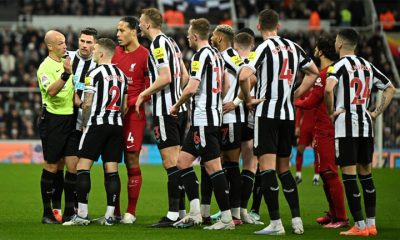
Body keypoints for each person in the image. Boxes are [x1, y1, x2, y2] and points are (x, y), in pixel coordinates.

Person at [238, 9, 319, 235]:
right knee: (285, 170)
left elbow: (244, 75)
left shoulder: (263, 47)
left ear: (258, 27)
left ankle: (275, 223)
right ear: (279, 26)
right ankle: (296, 221)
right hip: (287, 115)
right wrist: (295, 94)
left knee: (266, 169)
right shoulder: (294, 47)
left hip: (267, 114)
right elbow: (313, 72)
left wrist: (248, 99)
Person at [325, 28, 396, 236]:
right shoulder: (368, 65)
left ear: (339, 44)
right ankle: (371, 224)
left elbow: (329, 89)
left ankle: (359, 226)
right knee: (366, 174)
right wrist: (375, 112)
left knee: (348, 176)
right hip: (366, 124)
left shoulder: (336, 66)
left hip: (346, 125)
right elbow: (390, 87)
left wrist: (330, 112)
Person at [170, 18, 234, 230]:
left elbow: (192, 87)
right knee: (182, 161)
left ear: (196, 36)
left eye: (189, 34)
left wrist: (176, 106)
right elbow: (224, 84)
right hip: (209, 117)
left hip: (204, 119)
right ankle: (196, 212)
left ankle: (227, 219)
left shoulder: (200, 55)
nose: (188, 36)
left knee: (213, 166)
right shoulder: (217, 55)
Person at [63, 38, 127, 226]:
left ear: (100, 54)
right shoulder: (121, 75)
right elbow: (123, 105)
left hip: (97, 124)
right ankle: (109, 216)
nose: (92, 52)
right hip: (116, 125)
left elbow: (88, 103)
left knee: (83, 167)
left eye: (95, 49)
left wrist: (85, 123)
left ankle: (82, 215)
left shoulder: (93, 73)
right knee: (112, 170)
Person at [137, 8, 188, 227]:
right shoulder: (172, 43)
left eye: (140, 22)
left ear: (148, 25)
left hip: (165, 110)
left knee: (171, 163)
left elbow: (165, 77)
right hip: (179, 108)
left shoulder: (157, 44)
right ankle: (182, 211)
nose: (139, 25)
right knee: (178, 162)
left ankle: (173, 214)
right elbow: (184, 76)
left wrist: (144, 93)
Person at [294, 35, 349, 228]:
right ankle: (333, 213)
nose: (314, 51)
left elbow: (310, 101)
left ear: (320, 51)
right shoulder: (333, 71)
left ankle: (341, 218)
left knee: (330, 172)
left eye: (316, 48)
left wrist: (289, 101)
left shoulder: (326, 73)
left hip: (327, 129)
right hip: (323, 128)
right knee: (326, 173)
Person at [51, 27, 97, 223]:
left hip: (83, 124)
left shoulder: (97, 64)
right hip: (63, 120)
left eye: (89, 42)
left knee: (76, 168)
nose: (85, 45)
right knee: (57, 165)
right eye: (82, 41)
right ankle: (55, 207)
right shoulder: (66, 57)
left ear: (95, 45)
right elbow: (54, 81)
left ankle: (73, 207)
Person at [110, 16, 150, 224]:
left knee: (131, 159)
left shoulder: (145, 55)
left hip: (134, 115)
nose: (118, 34)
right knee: (111, 162)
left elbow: (150, 88)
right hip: (112, 115)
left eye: (122, 30)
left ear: (134, 31)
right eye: (117, 30)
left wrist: (131, 101)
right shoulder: (114, 53)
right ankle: (114, 212)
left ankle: (130, 212)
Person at [207, 24, 245, 225]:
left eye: (213, 35)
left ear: (219, 38)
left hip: (230, 119)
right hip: (221, 118)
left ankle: (235, 214)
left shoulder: (230, 56)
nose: (211, 38)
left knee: (231, 165)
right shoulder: (223, 56)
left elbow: (250, 77)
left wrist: (237, 102)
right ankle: (228, 210)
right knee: (220, 164)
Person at [37, 30, 75, 224]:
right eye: (60, 43)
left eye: (65, 42)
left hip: (70, 118)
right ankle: (46, 213)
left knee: (67, 165)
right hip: (53, 120)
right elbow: (51, 91)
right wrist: (66, 74)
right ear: (50, 46)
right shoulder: (45, 67)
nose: (65, 46)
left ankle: (63, 210)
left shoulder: (66, 62)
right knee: (52, 165)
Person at [294, 99, 319, 185]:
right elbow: (299, 111)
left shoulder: (319, 90)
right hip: (305, 126)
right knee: (300, 150)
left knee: (317, 152)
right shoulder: (304, 90)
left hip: (316, 126)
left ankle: (316, 176)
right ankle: (298, 175)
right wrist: (297, 126)